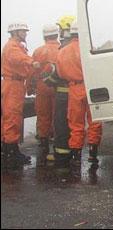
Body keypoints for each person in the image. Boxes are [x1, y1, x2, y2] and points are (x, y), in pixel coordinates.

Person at [56, 21, 102, 167]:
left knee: (75, 123)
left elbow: (60, 73)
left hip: (74, 89)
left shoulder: (62, 51)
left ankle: (76, 155)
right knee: (94, 121)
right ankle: (93, 155)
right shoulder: (89, 49)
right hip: (90, 87)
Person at [1, 21, 40, 169]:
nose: (25, 34)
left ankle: (8, 148)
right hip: (13, 84)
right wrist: (32, 62)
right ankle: (12, 152)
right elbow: (17, 58)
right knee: (13, 116)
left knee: (12, 116)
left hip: (15, 84)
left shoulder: (16, 46)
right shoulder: (13, 47)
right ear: (15, 33)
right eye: (23, 31)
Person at [42, 15, 76, 167]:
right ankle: (75, 151)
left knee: (61, 123)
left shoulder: (64, 48)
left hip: (63, 92)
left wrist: (47, 80)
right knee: (75, 123)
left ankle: (61, 155)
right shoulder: (81, 46)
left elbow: (58, 73)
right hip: (77, 90)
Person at [30, 24, 60, 164]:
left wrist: (30, 87)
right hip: (58, 87)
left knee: (43, 114)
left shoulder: (38, 51)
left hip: (42, 86)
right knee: (58, 114)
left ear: (44, 36)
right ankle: (58, 140)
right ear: (57, 35)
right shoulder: (62, 49)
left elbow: (32, 72)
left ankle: (43, 142)